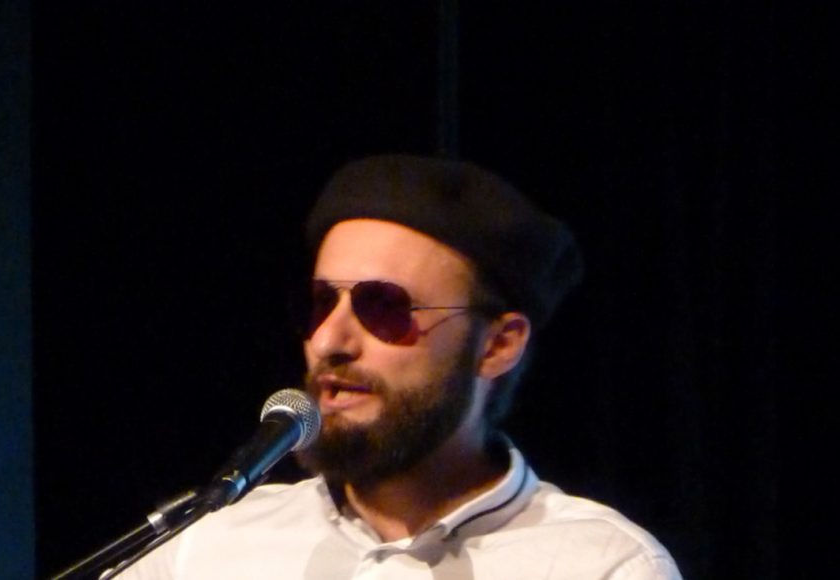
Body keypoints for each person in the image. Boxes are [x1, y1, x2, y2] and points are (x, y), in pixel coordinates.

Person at [114, 155, 681, 579]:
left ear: (497, 346)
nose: (329, 340)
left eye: (382, 308)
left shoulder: (601, 565)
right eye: (320, 303)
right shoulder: (206, 548)